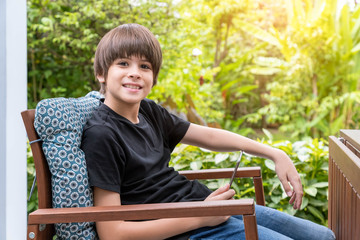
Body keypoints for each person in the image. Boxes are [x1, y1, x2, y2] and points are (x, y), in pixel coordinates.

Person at [81, 23, 335, 240]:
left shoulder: (148, 111)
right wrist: (201, 217)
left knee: (324, 236)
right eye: (123, 63)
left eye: (144, 66)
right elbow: (111, 231)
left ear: (153, 76)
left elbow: (210, 136)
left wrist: (275, 153)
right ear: (102, 73)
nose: (135, 73)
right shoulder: (102, 134)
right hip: (185, 228)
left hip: (204, 207)